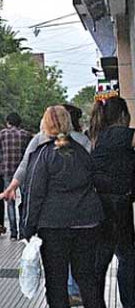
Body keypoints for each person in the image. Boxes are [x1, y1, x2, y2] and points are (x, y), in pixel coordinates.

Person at [22, 105, 105, 308]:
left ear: (45, 125)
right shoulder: (81, 151)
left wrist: (28, 226)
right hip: (87, 223)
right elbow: (95, 180)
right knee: (87, 277)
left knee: (56, 281)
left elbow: (34, 192)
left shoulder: (43, 154)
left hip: (54, 226)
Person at [89, 97, 135, 308]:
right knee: (127, 258)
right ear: (123, 115)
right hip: (119, 204)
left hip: (99, 204)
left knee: (100, 260)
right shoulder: (123, 135)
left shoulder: (97, 136)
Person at [0, 112, 31, 240]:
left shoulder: (2, 134)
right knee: (25, 200)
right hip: (23, 172)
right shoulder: (26, 135)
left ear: (8, 122)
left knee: (10, 202)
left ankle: (13, 233)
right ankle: (23, 232)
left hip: (7, 171)